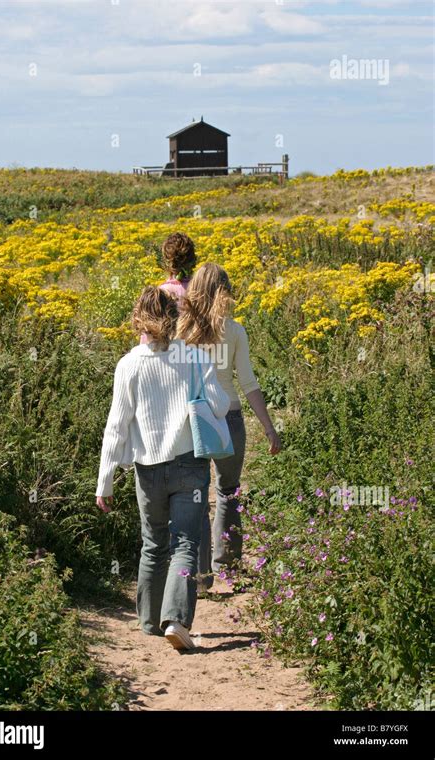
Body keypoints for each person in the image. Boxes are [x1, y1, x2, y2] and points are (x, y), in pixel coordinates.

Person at [96, 286, 229, 649]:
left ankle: (148, 620)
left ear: (138, 319)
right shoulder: (195, 357)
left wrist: (104, 481)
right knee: (186, 541)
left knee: (153, 542)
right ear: (175, 317)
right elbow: (219, 405)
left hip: (147, 467)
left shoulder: (129, 364)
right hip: (190, 463)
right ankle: (177, 620)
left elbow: (116, 425)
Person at [176, 263, 282, 590]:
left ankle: (200, 573)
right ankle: (229, 568)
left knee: (194, 495)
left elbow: (176, 381)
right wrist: (269, 428)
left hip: (191, 419)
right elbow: (248, 382)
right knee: (228, 493)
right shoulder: (235, 331)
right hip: (229, 418)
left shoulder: (182, 329)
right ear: (225, 290)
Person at [140, 232, 196, 345]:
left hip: (169, 355)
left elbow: (149, 334)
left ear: (167, 261)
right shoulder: (201, 288)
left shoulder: (160, 293)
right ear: (193, 259)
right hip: (198, 353)